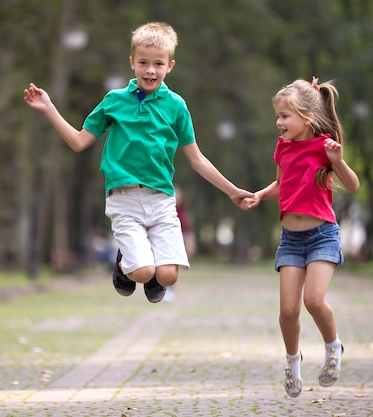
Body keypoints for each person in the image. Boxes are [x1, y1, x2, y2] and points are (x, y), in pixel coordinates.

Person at [24, 22, 253, 303]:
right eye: (143, 62)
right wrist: (49, 108)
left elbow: (197, 159)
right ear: (132, 62)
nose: (150, 70)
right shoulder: (114, 101)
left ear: (170, 65)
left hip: (161, 201)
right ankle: (125, 265)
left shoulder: (177, 106)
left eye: (158, 63)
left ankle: (138, 263)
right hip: (124, 199)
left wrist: (233, 191)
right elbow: (78, 142)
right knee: (144, 272)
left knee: (168, 276)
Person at [242, 77, 360, 397]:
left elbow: (352, 185)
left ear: (306, 117)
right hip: (291, 240)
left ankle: (333, 348)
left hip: (322, 235)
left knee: (313, 300)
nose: (279, 123)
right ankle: (293, 364)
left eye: (285, 116)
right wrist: (258, 195)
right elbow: (281, 184)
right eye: (277, 117)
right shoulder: (283, 147)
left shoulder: (325, 146)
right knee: (288, 311)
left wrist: (338, 162)